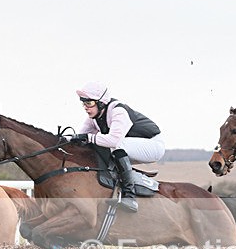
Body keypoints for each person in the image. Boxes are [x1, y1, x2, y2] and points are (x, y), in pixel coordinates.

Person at [69, 81, 165, 213]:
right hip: (133, 145)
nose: (85, 107)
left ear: (101, 102)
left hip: (153, 145)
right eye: (84, 103)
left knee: (116, 146)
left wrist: (89, 138)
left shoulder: (118, 111)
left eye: (89, 103)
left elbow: (113, 140)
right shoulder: (94, 117)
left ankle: (129, 196)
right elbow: (81, 137)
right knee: (95, 147)